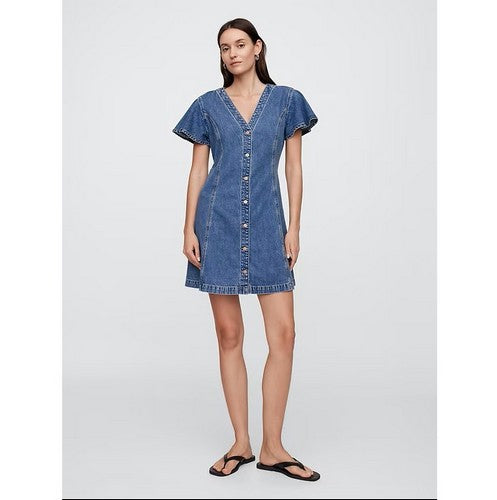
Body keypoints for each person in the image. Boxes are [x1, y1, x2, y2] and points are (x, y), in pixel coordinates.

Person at [172, 18, 320, 482]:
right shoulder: (207, 106)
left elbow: (294, 168)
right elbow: (198, 171)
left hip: (268, 226)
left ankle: (274, 448)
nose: (232, 53)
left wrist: (294, 226)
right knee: (229, 335)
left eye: (240, 44)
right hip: (215, 225)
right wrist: (188, 228)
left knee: (284, 335)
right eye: (224, 47)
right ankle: (242, 443)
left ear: (258, 48)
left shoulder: (287, 101)